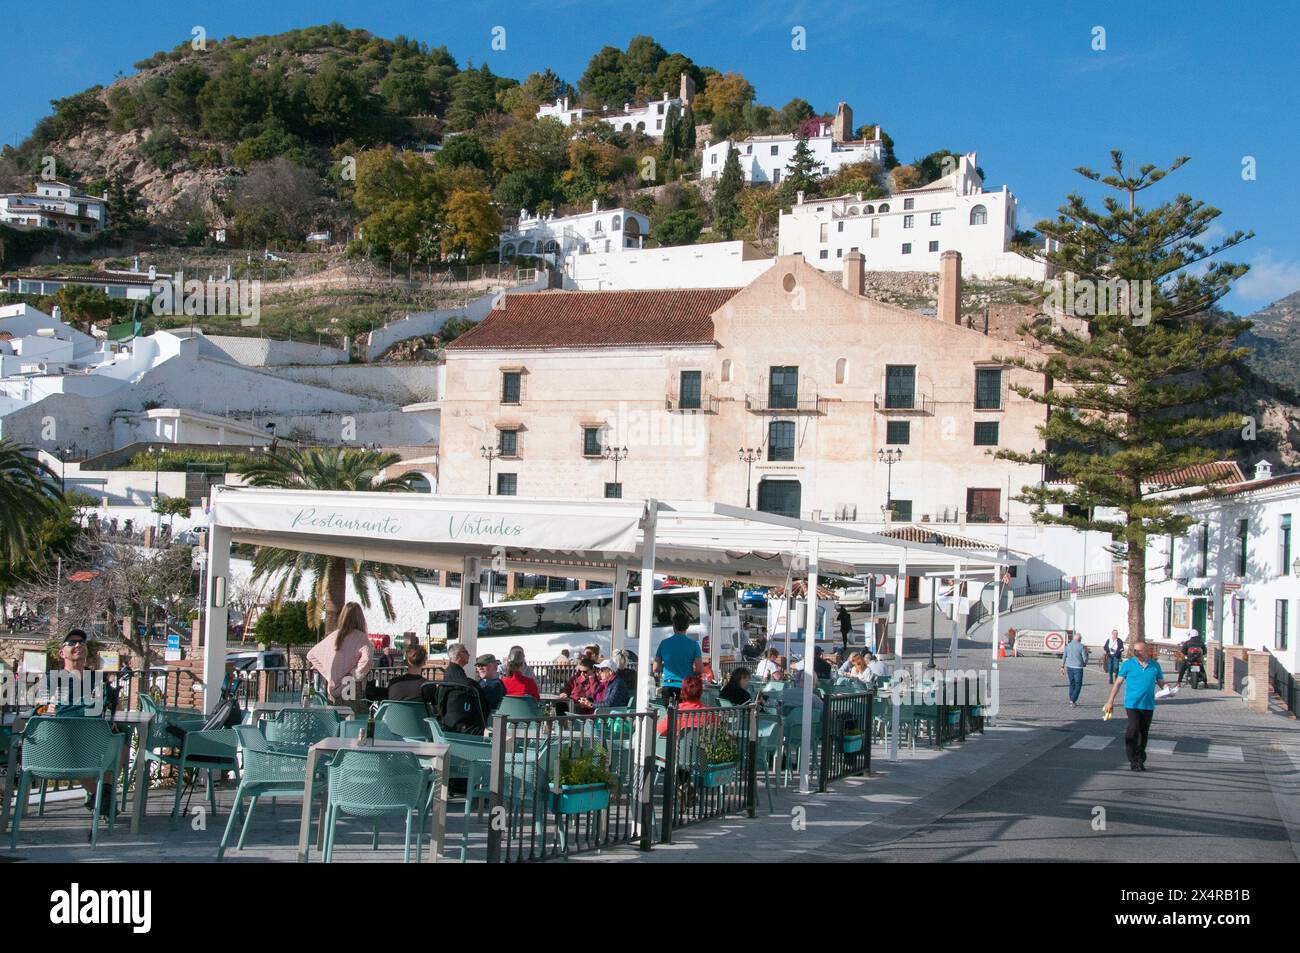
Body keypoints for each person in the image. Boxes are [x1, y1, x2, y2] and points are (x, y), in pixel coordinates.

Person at [1103, 640, 1168, 771]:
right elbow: (1118, 683)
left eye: (1139, 650)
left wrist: (1167, 689)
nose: (1136, 653)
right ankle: (1133, 759)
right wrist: (1110, 701)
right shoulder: (1128, 664)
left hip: (1148, 705)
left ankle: (1140, 759)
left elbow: (1160, 682)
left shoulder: (1154, 666)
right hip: (1132, 704)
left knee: (1143, 732)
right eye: (1135, 650)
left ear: (1146, 651)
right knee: (1133, 728)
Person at [306, 602, 373, 707]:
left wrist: (329, 674)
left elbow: (312, 655)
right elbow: (367, 660)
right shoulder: (361, 638)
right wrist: (353, 674)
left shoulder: (334, 636)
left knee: (335, 719)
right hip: (350, 686)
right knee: (352, 719)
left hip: (332, 688)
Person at [425, 642, 487, 735]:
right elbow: (484, 709)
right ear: (459, 655)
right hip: (466, 730)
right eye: (466, 652)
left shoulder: (448, 676)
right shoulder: (467, 684)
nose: (469, 654)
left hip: (446, 725)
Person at [653, 615, 702, 702]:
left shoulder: (664, 643)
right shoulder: (694, 645)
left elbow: (655, 668)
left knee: (669, 714)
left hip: (668, 685)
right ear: (687, 627)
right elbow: (699, 670)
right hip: (686, 687)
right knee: (684, 714)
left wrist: (666, 667)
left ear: (674, 626)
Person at [1060, 632, 1090, 707]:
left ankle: (1072, 700)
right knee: (1078, 685)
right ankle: (1073, 700)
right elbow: (1085, 658)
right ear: (1079, 639)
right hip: (1078, 668)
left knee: (1072, 683)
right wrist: (1085, 663)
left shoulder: (1068, 645)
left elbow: (1064, 656)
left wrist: (1062, 666)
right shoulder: (1081, 646)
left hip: (1069, 667)